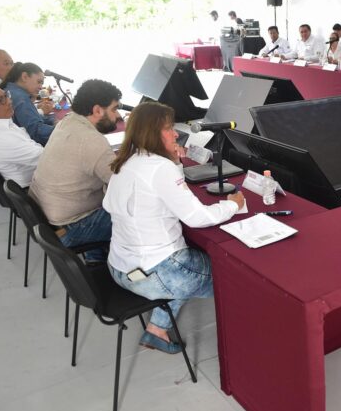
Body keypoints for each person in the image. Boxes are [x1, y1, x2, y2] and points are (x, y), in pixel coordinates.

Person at [104, 102, 245, 354]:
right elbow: (196, 217)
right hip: (158, 275)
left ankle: (157, 330)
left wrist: (175, 163)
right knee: (238, 275)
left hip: (121, 269)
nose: (176, 133)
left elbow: (161, 193)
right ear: (152, 132)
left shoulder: (125, 161)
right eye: (169, 128)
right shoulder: (160, 168)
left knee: (186, 261)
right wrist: (232, 205)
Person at [30, 79, 122, 262]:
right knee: (137, 212)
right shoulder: (91, 140)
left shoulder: (67, 121)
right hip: (71, 227)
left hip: (48, 219)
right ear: (97, 110)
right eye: (114, 109)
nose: (118, 115)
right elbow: (123, 184)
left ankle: (96, 258)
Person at [0, 62, 56, 146]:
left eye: (42, 83)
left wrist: (51, 120)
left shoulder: (10, 89)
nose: (41, 87)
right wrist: (60, 130)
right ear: (25, 77)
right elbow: (36, 132)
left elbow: (29, 120)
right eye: (39, 82)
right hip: (25, 144)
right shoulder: (21, 98)